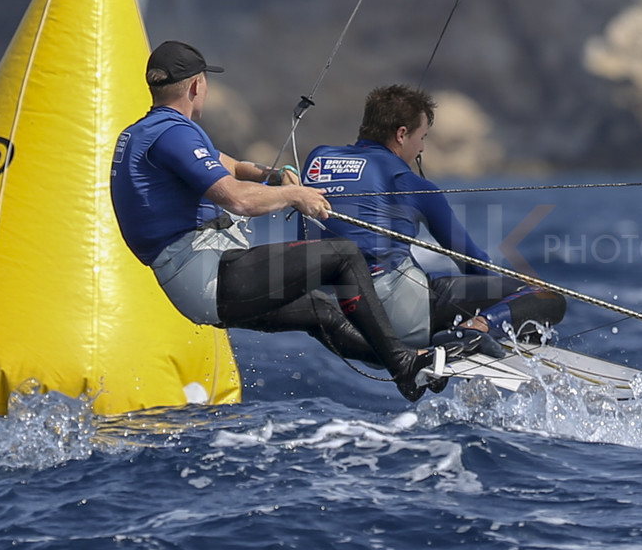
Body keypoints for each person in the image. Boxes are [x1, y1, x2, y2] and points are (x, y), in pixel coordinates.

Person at [109, 41, 452, 402]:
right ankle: (404, 364)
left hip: (194, 283)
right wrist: (296, 196)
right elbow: (237, 199)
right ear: (197, 86)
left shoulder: (148, 131)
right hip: (207, 276)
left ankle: (416, 365)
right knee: (343, 255)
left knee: (320, 312)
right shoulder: (174, 133)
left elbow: (233, 167)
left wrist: (277, 176)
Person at [301, 85, 566, 350]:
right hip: (396, 321)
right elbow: (471, 262)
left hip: (332, 319)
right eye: (422, 137)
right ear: (402, 134)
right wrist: (520, 296)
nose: (422, 148)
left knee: (427, 278)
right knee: (545, 298)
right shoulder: (411, 183)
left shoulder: (318, 159)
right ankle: (475, 330)